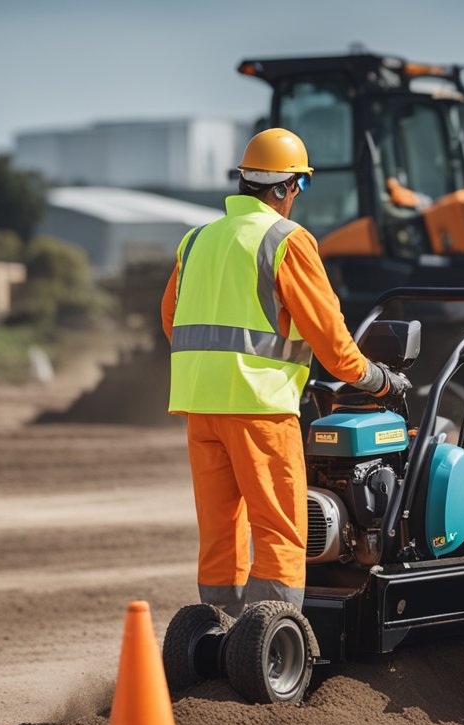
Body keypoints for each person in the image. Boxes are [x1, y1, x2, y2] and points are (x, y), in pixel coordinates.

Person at [160, 127, 409, 618]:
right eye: (300, 186)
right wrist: (378, 379)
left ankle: (219, 629)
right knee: (278, 528)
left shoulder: (196, 241)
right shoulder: (286, 240)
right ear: (283, 187)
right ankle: (273, 637)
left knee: (219, 532)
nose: (297, 197)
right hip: (259, 409)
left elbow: (172, 319)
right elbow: (333, 344)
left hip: (200, 407)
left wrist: (215, 369)